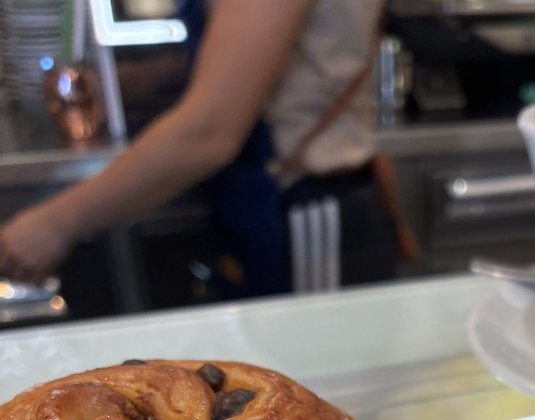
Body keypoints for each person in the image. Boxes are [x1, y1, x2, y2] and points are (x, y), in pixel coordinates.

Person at [0, 0, 413, 298]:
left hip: (303, 214)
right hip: (270, 208)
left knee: (304, 407)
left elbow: (208, 134)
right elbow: (249, 57)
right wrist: (136, 81)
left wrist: (53, 224)